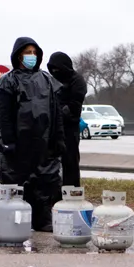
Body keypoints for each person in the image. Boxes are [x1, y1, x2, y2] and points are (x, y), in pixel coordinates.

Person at [0, 36, 66, 232]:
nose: (31, 56)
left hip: (43, 141)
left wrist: (59, 138)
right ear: (18, 56)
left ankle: (42, 220)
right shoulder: (7, 82)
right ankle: (14, 221)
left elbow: (57, 113)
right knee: (17, 180)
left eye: (34, 53)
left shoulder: (48, 81)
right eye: (28, 52)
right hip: (19, 142)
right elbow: (3, 115)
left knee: (45, 179)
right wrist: (8, 140)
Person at [47, 52, 87, 187]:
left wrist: (57, 113)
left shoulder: (77, 81)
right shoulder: (51, 80)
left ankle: (71, 190)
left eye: (57, 69)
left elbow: (74, 106)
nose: (55, 72)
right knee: (51, 161)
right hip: (52, 127)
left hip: (69, 127)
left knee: (70, 160)